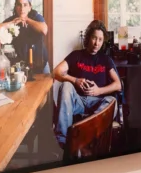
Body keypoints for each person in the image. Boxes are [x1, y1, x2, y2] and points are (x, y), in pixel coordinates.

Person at [52, 20, 122, 150]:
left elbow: (118, 85)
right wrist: (75, 80)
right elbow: (56, 72)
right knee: (66, 86)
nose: (96, 43)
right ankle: (62, 142)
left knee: (112, 101)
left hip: (98, 102)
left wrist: (99, 91)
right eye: (94, 38)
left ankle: (85, 132)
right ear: (88, 37)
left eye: (100, 40)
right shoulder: (76, 55)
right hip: (78, 101)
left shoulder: (105, 60)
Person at [0, 0, 49, 73]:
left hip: (41, 64)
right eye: (19, 5)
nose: (22, 8)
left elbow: (44, 30)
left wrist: (26, 19)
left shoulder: (36, 16)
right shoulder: (13, 19)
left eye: (25, 5)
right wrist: (12, 22)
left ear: (30, 7)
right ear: (15, 6)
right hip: (21, 67)